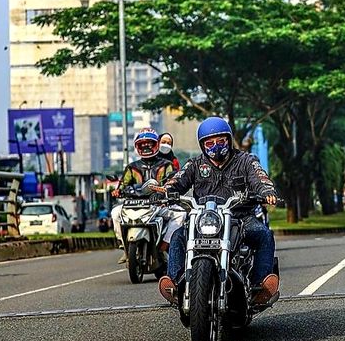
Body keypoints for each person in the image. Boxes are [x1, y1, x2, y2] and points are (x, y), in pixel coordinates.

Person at [156, 117, 279, 305]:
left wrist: (267, 191)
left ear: (228, 140)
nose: (216, 146)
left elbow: (259, 177)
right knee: (178, 236)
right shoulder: (195, 164)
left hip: (240, 217)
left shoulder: (245, 160)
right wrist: (165, 191)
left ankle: (259, 286)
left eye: (220, 140)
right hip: (204, 218)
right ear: (202, 145)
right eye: (210, 143)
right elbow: (178, 180)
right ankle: (176, 283)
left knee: (264, 235)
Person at [111, 128, 185, 264]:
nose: (146, 147)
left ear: (156, 145)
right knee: (115, 212)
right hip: (133, 205)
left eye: (149, 144)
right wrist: (118, 191)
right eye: (142, 144)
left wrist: (166, 193)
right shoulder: (132, 167)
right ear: (137, 147)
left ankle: (164, 245)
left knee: (181, 214)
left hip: (159, 204)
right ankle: (124, 246)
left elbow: (173, 182)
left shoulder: (167, 165)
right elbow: (123, 185)